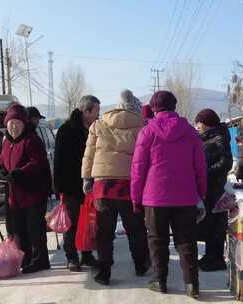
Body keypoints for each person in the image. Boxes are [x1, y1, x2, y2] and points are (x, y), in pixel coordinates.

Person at [131, 90, 207, 299]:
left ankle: (160, 280)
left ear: (154, 108)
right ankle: (192, 284)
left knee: (157, 240)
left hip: (154, 197)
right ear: (174, 106)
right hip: (185, 196)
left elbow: (138, 169)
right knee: (186, 241)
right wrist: (201, 191)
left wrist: (136, 198)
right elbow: (200, 165)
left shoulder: (147, 132)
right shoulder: (190, 132)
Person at [81, 90, 150, 285]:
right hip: (129, 185)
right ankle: (140, 263)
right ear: (134, 107)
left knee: (104, 231)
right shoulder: (141, 125)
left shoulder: (99, 123)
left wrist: (87, 179)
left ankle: (104, 271)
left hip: (103, 185)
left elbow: (89, 154)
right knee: (135, 228)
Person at [0, 104, 52, 274]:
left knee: (34, 228)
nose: (14, 127)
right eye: (11, 123)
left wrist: (20, 173)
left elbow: (38, 163)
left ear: (24, 123)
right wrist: (1, 170)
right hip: (15, 195)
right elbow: (1, 161)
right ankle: (26, 258)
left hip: (33, 193)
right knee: (19, 228)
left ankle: (40, 260)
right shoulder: (7, 143)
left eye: (17, 123)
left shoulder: (31, 139)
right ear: (7, 125)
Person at [54, 95, 100, 271]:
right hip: (71, 185)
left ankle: (87, 255)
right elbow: (58, 160)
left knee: (89, 222)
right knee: (71, 223)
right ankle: (71, 257)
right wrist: (59, 188)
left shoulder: (93, 129)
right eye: (96, 111)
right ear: (86, 110)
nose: (98, 115)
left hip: (89, 185)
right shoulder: (67, 130)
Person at [194, 109, 233, 272]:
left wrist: (206, 171)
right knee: (209, 223)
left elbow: (226, 163)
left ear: (208, 124)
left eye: (199, 123)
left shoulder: (218, 138)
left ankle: (216, 259)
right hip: (208, 187)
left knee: (216, 223)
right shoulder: (206, 138)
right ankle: (210, 256)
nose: (197, 126)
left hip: (215, 188)